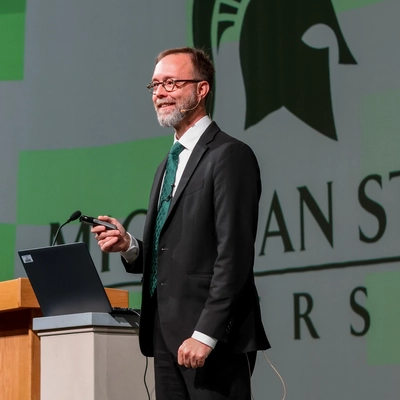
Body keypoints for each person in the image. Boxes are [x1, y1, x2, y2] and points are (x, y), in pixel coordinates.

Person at [92, 47, 270, 400]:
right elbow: (173, 253)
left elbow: (233, 256)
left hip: (210, 341)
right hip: (164, 337)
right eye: (155, 85)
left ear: (202, 89)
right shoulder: (167, 165)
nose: (159, 93)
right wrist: (130, 247)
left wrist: (205, 334)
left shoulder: (229, 156)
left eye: (171, 83)